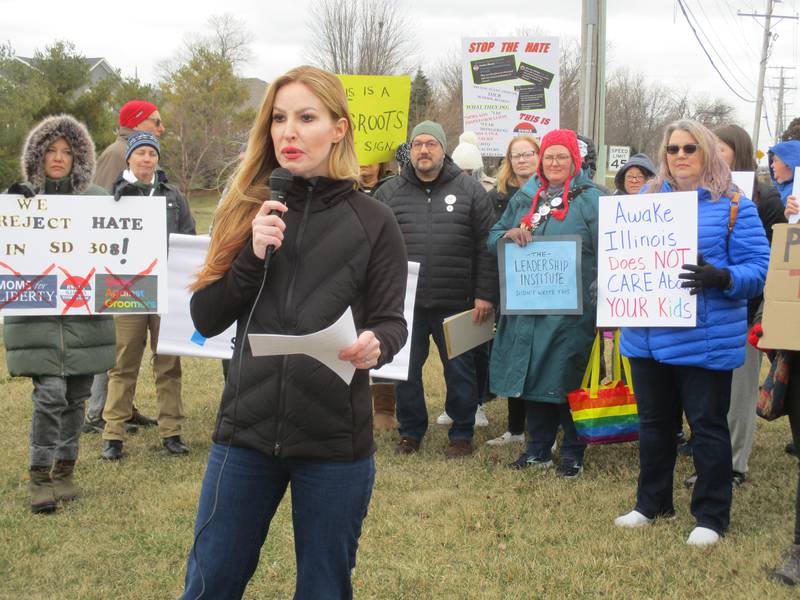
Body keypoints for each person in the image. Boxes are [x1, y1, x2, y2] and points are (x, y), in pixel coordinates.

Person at [179, 65, 407, 600]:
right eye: (279, 118)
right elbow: (205, 318)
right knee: (210, 583)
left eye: (307, 117)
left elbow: (392, 322)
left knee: (325, 589)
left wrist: (379, 344)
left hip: (333, 444)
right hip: (244, 436)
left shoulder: (375, 222)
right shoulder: (244, 210)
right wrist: (250, 256)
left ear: (339, 128)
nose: (289, 131)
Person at [614, 120, 770, 547]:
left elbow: (760, 268)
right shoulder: (642, 201)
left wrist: (723, 277)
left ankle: (712, 515)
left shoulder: (736, 204)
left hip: (704, 337)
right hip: (646, 334)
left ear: (706, 152)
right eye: (672, 149)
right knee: (654, 424)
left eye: (689, 148)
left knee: (707, 426)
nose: (680, 156)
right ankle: (652, 503)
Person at [3, 115, 116, 513]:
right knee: (49, 394)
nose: (58, 157)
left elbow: (121, 249)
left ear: (79, 158)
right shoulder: (19, 201)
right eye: (51, 150)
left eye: (67, 151)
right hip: (39, 320)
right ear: (37, 155)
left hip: (87, 320)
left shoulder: (100, 201)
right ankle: (40, 476)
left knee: (76, 397)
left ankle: (65, 471)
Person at [375, 120, 497, 458]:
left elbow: (487, 247)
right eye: (418, 144)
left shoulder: (471, 190)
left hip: (457, 302)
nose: (424, 150)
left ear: (444, 149)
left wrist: (485, 294)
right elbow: (376, 248)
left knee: (461, 371)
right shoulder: (389, 192)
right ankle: (410, 432)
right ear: (410, 150)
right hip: (406, 304)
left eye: (431, 143)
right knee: (406, 372)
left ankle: (461, 433)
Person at [487, 129, 600, 477]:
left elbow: (611, 250)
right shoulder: (527, 195)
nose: (554, 163)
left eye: (561, 157)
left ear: (574, 160)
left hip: (572, 309)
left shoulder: (592, 199)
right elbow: (493, 237)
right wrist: (509, 235)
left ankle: (572, 452)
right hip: (529, 306)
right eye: (549, 156)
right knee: (534, 376)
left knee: (569, 377)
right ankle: (537, 449)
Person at [680, 124, 786, 489]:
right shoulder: (694, 195)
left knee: (739, 394)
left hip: (748, 310)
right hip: (703, 313)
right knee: (709, 399)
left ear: (737, 153)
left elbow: (773, 261)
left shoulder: (763, 198)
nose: (710, 154)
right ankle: (709, 454)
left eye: (719, 149)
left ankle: (735, 463)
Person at [100, 132, 196, 461]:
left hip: (165, 286)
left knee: (168, 362)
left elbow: (189, 237)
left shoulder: (172, 195)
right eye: (140, 153)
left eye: (151, 154)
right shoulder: (111, 195)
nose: (146, 159)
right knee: (123, 362)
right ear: (128, 157)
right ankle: (113, 433)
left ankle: (171, 431)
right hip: (125, 285)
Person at [83, 99, 166, 435]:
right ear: (137, 122)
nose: (161, 128)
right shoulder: (118, 153)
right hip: (120, 265)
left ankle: (122, 408)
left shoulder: (138, 150)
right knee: (117, 343)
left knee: (126, 345)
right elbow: (100, 204)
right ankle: (98, 412)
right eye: (155, 121)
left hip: (141, 265)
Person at [484, 134, 540, 446]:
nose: (522, 160)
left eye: (528, 153)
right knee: (514, 356)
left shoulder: (558, 194)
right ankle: (516, 428)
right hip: (512, 286)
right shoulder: (499, 197)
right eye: (515, 155)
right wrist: (508, 233)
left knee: (543, 357)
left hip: (549, 287)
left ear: (539, 155)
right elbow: (489, 240)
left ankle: (546, 428)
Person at [768, 139, 800, 205]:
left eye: (775, 161)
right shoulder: (775, 191)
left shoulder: (794, 193)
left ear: (789, 163)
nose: (771, 165)